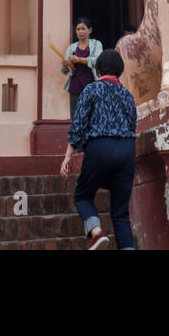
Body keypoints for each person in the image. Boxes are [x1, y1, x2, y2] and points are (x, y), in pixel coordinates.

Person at [61, 49, 137, 250]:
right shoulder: (128, 96)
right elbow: (132, 126)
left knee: (83, 196)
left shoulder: (91, 89)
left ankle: (97, 233)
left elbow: (78, 125)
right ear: (119, 70)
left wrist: (68, 155)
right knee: (121, 212)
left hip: (100, 147)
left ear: (99, 68)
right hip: (127, 150)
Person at [61, 19, 102, 118]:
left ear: (90, 30)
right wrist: (66, 65)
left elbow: (98, 60)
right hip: (75, 87)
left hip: (92, 85)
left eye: (83, 29)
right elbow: (66, 71)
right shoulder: (71, 48)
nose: (80, 32)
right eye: (78, 29)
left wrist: (78, 59)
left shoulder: (96, 44)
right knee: (76, 118)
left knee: (92, 117)